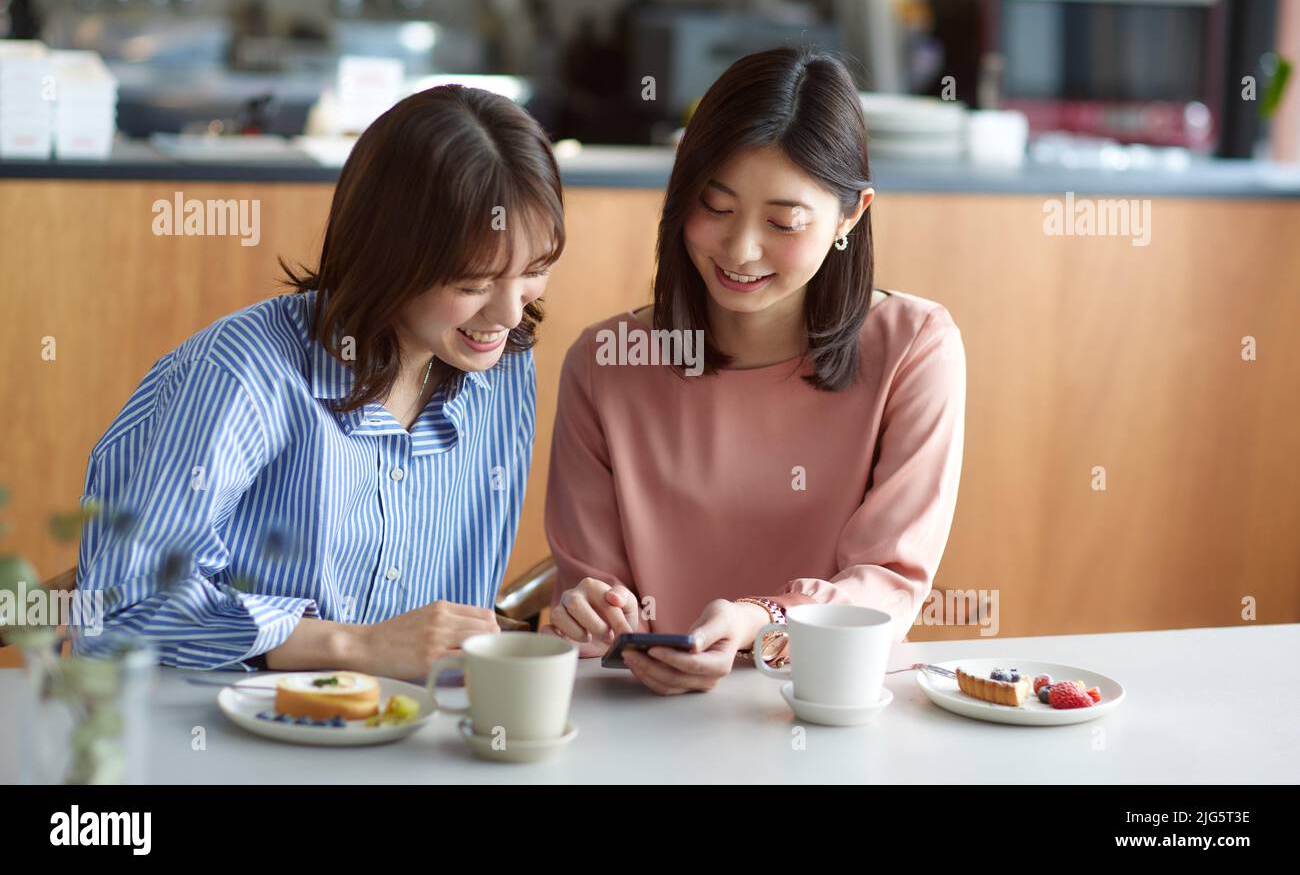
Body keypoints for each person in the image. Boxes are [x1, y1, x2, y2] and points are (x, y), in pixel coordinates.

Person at [75, 85, 563, 678]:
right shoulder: (241, 373)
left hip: (414, 748)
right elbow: (116, 617)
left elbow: (447, 632)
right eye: (472, 284)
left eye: (535, 270)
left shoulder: (502, 367)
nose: (511, 314)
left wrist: (557, 624)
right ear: (390, 256)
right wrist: (353, 647)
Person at [544, 47, 966, 695]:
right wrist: (593, 615)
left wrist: (760, 621)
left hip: (825, 705)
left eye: (784, 221)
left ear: (850, 215)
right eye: (715, 207)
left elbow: (887, 583)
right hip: (647, 715)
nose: (741, 250)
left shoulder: (913, 348)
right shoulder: (606, 363)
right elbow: (591, 593)